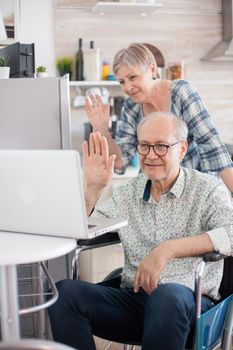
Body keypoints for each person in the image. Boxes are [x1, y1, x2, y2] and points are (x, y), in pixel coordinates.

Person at [48, 112, 233, 350]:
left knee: (167, 296)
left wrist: (167, 250)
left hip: (192, 307)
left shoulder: (207, 189)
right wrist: (91, 189)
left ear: (183, 149)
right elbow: (80, 231)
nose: (151, 155)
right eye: (144, 146)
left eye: (161, 146)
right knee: (64, 294)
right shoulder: (127, 193)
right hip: (135, 302)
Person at [84, 43, 233, 194]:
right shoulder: (131, 106)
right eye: (122, 81)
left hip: (194, 191)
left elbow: (213, 147)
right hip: (156, 192)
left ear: (152, 70)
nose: (127, 87)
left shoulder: (181, 92)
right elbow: (120, 162)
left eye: (133, 77)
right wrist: (101, 127)